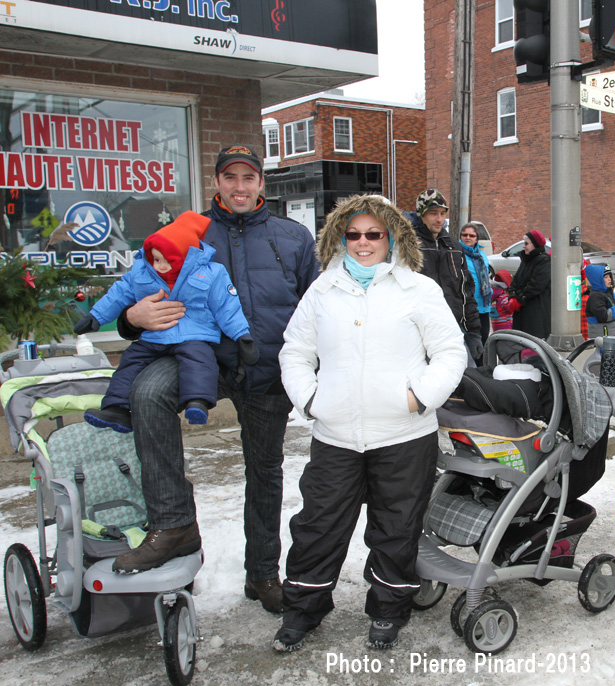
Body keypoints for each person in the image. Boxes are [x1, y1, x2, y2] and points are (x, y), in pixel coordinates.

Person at [110, 145, 319, 618]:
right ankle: (174, 522)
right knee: (146, 392)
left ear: (262, 183)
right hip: (197, 359)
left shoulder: (293, 238)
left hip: (267, 370)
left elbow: (317, 307)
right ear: (217, 182)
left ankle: (262, 573)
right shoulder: (185, 234)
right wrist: (130, 319)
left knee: (263, 473)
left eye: (249, 178)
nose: (240, 187)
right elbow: (135, 294)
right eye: (231, 178)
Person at [274, 194, 467, 653]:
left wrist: (419, 396)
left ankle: (388, 611)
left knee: (396, 529)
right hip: (335, 436)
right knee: (317, 527)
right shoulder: (321, 291)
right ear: (341, 238)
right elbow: (295, 353)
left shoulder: (418, 290)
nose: (363, 243)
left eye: (373, 234)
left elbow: (450, 352)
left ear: (392, 237)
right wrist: (311, 399)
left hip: (403, 435)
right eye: (353, 234)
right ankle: (302, 611)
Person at [75, 211, 257, 431]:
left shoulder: (210, 273)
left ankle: (197, 401)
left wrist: (242, 335)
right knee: (130, 362)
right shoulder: (142, 272)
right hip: (154, 336)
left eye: (167, 261)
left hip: (193, 334)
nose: (160, 266)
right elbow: (118, 294)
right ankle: (117, 408)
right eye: (156, 258)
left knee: (199, 360)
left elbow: (226, 306)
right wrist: (95, 317)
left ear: (184, 257)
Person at [402, 189, 483, 362]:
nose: (439, 219)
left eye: (442, 213)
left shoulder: (453, 246)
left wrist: (474, 332)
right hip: (420, 334)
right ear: (421, 214)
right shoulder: (409, 245)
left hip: (454, 329)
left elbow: (466, 292)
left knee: (469, 381)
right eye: (433, 214)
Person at [509, 229, 552, 339]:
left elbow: (537, 284)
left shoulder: (544, 260)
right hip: (523, 310)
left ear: (535, 244)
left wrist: (520, 299)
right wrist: (513, 295)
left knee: (533, 342)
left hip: (536, 311)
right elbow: (516, 279)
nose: (524, 246)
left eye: (526, 243)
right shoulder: (526, 260)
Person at [459, 223, 493, 343]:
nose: (468, 237)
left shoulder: (481, 255)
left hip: (484, 306)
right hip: (467, 307)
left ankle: (483, 363)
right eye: (465, 235)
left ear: (476, 238)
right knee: (470, 342)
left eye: (472, 235)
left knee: (484, 340)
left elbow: (486, 277)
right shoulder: (457, 253)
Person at [585, 263, 615, 338]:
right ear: (598, 280)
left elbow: (611, 309)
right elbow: (604, 316)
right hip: (602, 337)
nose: (609, 279)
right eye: (606, 277)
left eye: (610, 276)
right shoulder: (595, 296)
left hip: (610, 334)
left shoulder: (608, 292)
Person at [489, 269, 517, 333]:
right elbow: (511, 308)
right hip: (506, 329)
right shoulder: (503, 298)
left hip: (496, 329)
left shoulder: (493, 296)